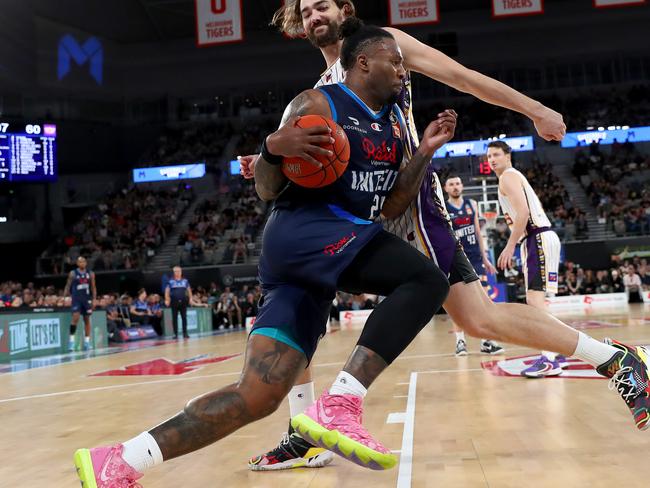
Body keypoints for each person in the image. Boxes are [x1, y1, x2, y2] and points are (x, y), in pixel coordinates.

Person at [244, 1, 650, 470]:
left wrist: (534, 109)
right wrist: (272, 161)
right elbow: (309, 162)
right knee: (301, 299)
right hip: (357, 211)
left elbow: (464, 77)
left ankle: (617, 358)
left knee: (477, 318)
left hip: (410, 203)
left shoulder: (385, 47)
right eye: (306, 11)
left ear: (344, 9)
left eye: (322, 5)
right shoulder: (316, 92)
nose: (314, 15)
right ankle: (303, 434)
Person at [73, 22, 457, 485]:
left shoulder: (394, 123)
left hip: (317, 259)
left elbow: (391, 203)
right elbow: (267, 188)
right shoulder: (318, 104)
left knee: (256, 396)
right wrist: (272, 148)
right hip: (308, 232)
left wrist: (426, 151)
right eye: (394, 62)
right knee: (428, 280)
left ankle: (120, 460)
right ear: (362, 63)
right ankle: (341, 402)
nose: (403, 70)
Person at [491, 141, 569, 377]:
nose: (492, 159)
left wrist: (509, 245)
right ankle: (558, 351)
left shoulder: (508, 176)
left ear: (508, 156)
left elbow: (523, 212)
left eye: (496, 154)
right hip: (539, 237)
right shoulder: (511, 177)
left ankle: (548, 359)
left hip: (536, 237)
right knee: (539, 301)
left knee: (535, 302)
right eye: (488, 156)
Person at [444, 175, 503, 356]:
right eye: (451, 184)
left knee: (482, 300)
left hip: (476, 258)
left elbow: (478, 231)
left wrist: (485, 258)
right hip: (456, 258)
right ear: (446, 188)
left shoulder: (472, 204)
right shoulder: (443, 207)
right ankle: (460, 342)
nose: (455, 187)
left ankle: (486, 342)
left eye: (458, 183)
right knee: (459, 303)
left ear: (462, 186)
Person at [63, 256, 97, 351]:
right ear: (77, 263)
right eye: (80, 262)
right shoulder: (73, 273)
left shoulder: (91, 274)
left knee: (87, 320)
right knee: (75, 318)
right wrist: (64, 297)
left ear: (86, 263)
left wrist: (94, 299)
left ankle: (87, 342)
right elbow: (68, 285)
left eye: (83, 261)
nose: (82, 263)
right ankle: (71, 342)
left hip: (86, 299)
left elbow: (93, 287)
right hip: (76, 299)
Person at [164, 266, 192, 339]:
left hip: (183, 301)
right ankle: (175, 334)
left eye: (179, 271)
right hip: (174, 302)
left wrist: (191, 298)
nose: (177, 272)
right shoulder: (170, 281)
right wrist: (167, 299)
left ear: (181, 272)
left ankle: (185, 333)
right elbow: (167, 291)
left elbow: (189, 290)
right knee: (174, 318)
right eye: (176, 271)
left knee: (184, 317)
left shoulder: (185, 281)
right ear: (174, 272)